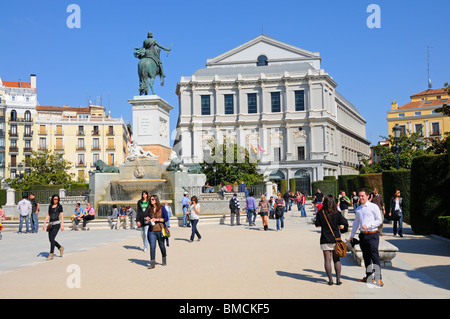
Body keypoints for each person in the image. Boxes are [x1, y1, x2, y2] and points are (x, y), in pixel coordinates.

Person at [350, 188, 384, 287]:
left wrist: (368, 226)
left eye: (362, 196)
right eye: (359, 196)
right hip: (363, 235)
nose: (360, 198)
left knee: (375, 256)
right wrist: (351, 236)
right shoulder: (358, 209)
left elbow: (379, 220)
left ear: (368, 196)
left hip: (372, 234)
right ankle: (369, 276)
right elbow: (356, 223)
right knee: (366, 256)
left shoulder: (374, 207)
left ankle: (378, 278)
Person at [315, 195, 347, 285]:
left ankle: (330, 280)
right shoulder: (337, 212)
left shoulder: (321, 212)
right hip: (336, 239)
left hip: (325, 238)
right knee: (336, 260)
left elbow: (317, 224)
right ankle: (338, 279)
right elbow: (341, 225)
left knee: (327, 260)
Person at [147, 194, 169, 269]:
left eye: (152, 199)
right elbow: (149, 217)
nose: (151, 200)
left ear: (156, 200)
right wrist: (148, 219)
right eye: (151, 199)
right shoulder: (150, 209)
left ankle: (164, 258)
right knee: (152, 246)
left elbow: (166, 218)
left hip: (160, 230)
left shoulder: (162, 208)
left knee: (162, 246)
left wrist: (157, 220)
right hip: (152, 230)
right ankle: (152, 263)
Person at [42, 195, 64, 261]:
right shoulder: (50, 206)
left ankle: (51, 254)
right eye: (55, 199)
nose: (56, 200)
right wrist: (44, 223)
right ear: (52, 199)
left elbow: (62, 216)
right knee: (51, 239)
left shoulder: (59, 206)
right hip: (50, 224)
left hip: (57, 224)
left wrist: (62, 224)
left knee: (52, 238)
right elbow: (48, 215)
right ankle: (60, 247)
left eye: (57, 199)